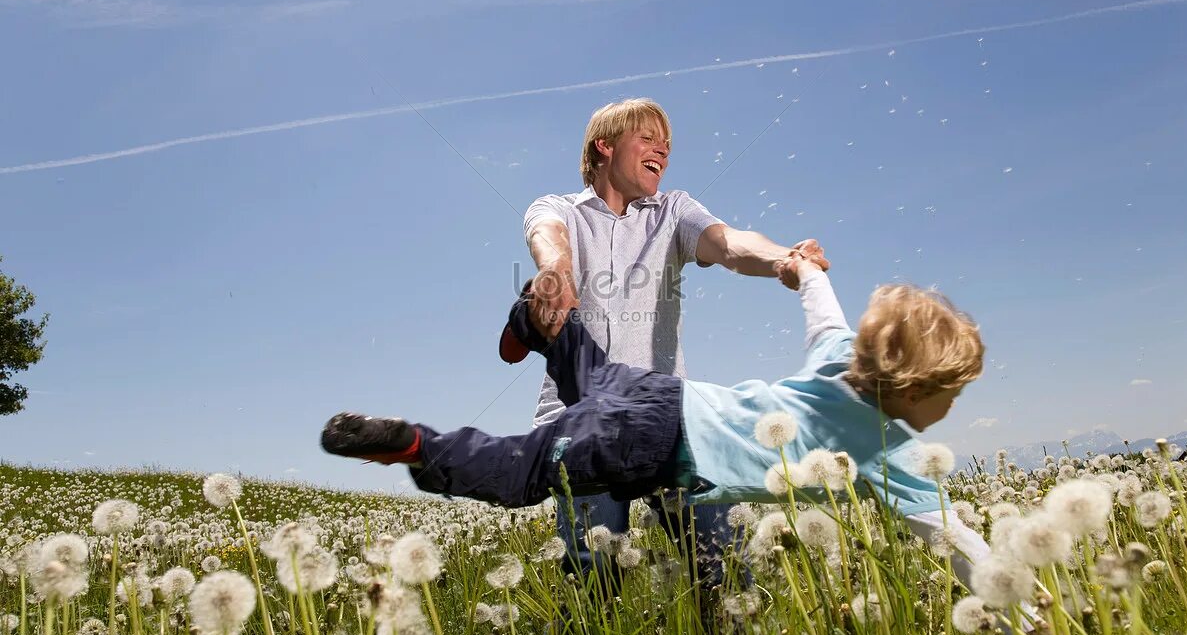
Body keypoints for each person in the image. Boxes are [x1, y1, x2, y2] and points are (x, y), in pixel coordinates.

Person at [320, 245, 992, 590]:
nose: (954, 406)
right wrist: (1023, 609)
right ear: (910, 388)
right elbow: (958, 544)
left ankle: (538, 319)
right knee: (521, 469)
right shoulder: (893, 454)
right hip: (653, 446)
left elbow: (825, 313)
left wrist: (805, 269)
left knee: (589, 371)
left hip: (661, 395)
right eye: (950, 391)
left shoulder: (842, 358)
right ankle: (413, 443)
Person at [507, 98, 815, 618]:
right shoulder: (557, 208)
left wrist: (783, 258)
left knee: (726, 569)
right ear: (604, 146)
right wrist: (556, 267)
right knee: (593, 583)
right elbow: (546, 235)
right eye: (647, 138)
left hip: (669, 422)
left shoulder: (674, 211)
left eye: (666, 143)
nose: (663, 149)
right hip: (583, 427)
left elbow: (730, 242)